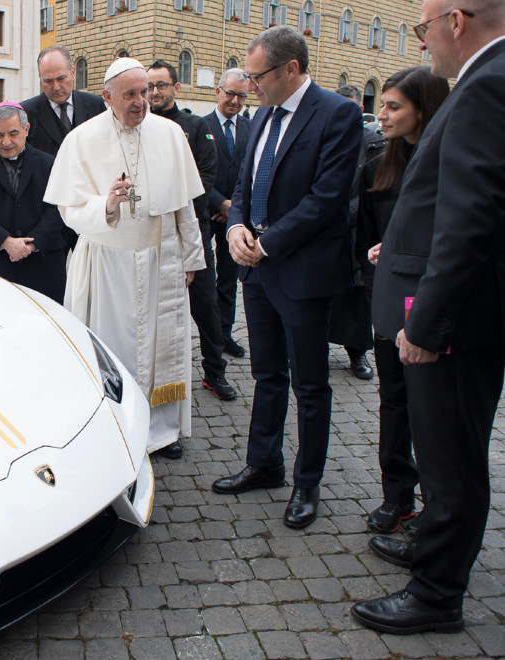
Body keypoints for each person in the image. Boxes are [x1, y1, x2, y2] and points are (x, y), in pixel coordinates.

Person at [351, 0, 505, 635]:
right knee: (446, 457)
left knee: (450, 462)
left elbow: (470, 220)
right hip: (462, 313)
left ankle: (437, 594)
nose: (423, 42)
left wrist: (426, 324)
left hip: (456, 325)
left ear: (457, 22)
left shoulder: (485, 85)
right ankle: (432, 550)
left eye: (424, 27)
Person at [212, 27, 361, 530]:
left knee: (310, 384)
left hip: (303, 273)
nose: (250, 87)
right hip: (257, 270)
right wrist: (235, 227)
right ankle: (265, 464)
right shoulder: (261, 115)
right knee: (267, 374)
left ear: (291, 69)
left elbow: (327, 198)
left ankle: (306, 483)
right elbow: (243, 183)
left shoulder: (336, 114)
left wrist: (268, 242)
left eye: (258, 77)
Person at [44, 58, 206, 458]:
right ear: (107, 96)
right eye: (130, 94)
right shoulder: (82, 139)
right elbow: (69, 209)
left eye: (144, 92)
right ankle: (117, 428)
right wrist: (107, 204)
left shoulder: (170, 134)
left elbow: (184, 205)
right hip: (107, 264)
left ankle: (162, 431)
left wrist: (191, 259)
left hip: (160, 259)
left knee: (161, 346)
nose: (140, 102)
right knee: (114, 349)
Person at [354, 67, 449, 537]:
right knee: (393, 402)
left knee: (432, 411)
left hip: (432, 305)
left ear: (423, 110)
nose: (383, 114)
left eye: (394, 106)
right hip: (390, 304)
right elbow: (366, 237)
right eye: (383, 105)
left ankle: (439, 506)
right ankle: (397, 496)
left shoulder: (449, 164)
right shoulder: (378, 166)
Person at [147, 59, 237, 407]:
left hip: (191, 229)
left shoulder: (195, 126)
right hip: (150, 232)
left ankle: (214, 370)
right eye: (150, 86)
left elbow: (205, 177)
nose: (155, 92)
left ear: (176, 87)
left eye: (161, 85)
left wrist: (177, 207)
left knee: (205, 304)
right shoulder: (140, 125)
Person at [0, 102, 67, 304]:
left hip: (44, 262)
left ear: (26, 129)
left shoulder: (48, 163)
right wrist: (7, 242)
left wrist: (32, 244)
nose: (6, 141)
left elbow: (57, 208)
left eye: (13, 133)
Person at [22, 46, 109, 252]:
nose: (56, 86)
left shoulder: (95, 106)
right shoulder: (27, 112)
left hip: (88, 209)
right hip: (47, 216)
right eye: (48, 81)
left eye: (61, 78)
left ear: (72, 72)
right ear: (40, 78)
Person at [330, 84, 388, 381]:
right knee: (323, 293)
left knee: (358, 296)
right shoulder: (326, 137)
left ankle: (357, 352)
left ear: (361, 109)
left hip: (360, 229)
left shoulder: (375, 142)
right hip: (327, 228)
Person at [204, 70, 251, 359]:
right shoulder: (202, 125)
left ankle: (225, 333)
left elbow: (250, 171)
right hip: (207, 214)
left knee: (229, 279)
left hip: (235, 217)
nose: (235, 101)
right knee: (204, 279)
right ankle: (208, 334)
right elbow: (196, 172)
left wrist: (234, 207)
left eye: (241, 96)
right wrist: (219, 202)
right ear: (218, 92)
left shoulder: (249, 127)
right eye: (230, 94)